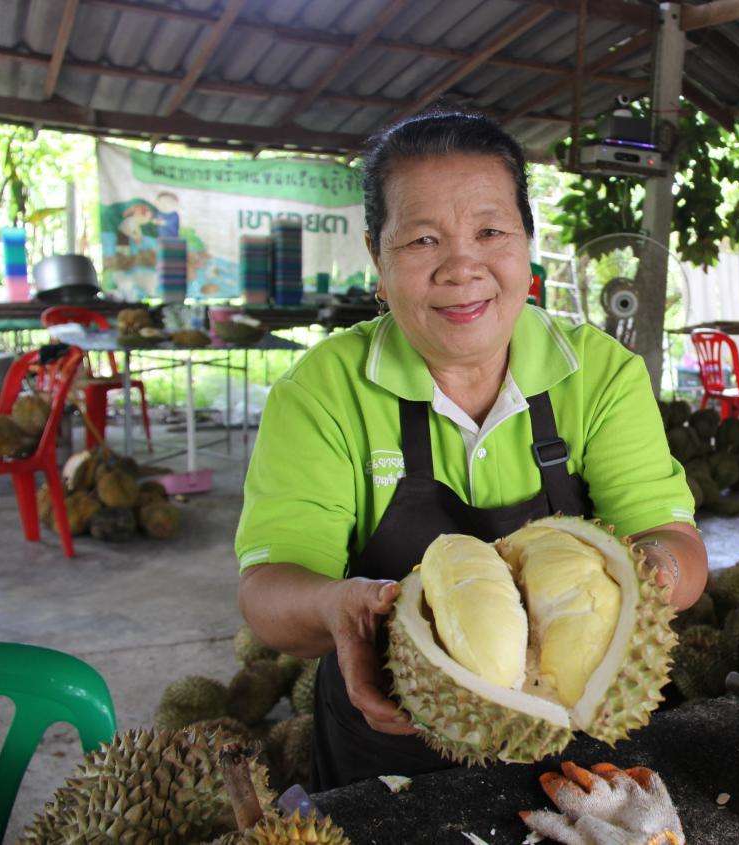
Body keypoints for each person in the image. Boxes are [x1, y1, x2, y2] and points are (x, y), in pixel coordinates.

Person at [234, 111, 707, 789]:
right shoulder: (320, 390)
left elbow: (673, 541)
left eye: (490, 232)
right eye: (423, 239)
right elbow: (267, 591)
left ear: (527, 245)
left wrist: (653, 569)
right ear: (377, 257)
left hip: (575, 733)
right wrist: (333, 605)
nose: (462, 266)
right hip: (388, 735)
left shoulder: (600, 371)